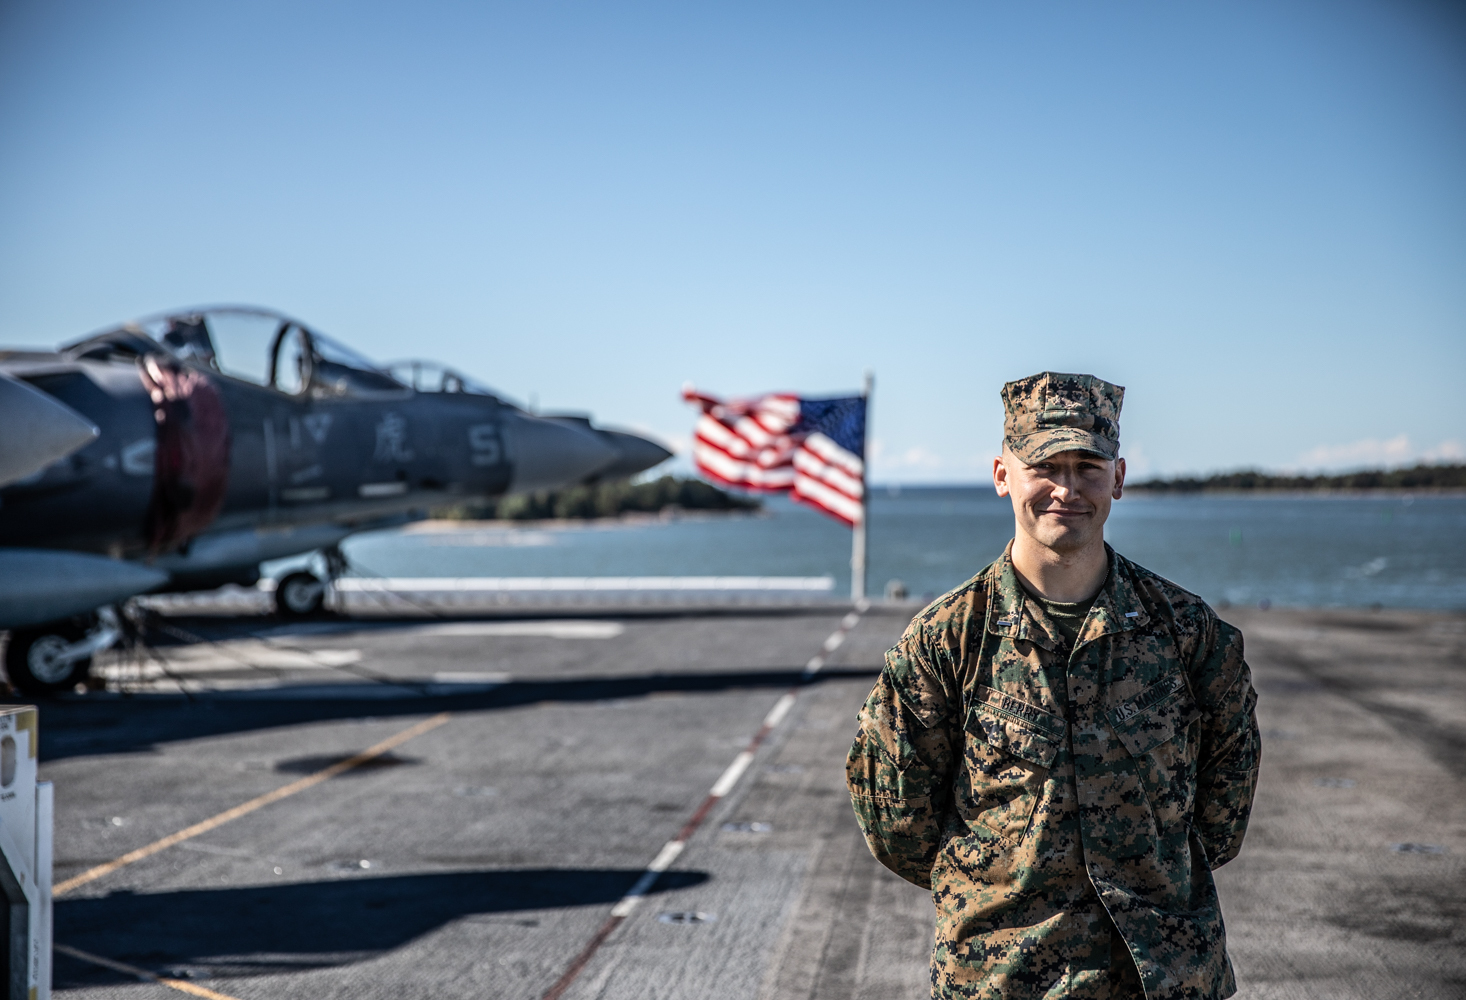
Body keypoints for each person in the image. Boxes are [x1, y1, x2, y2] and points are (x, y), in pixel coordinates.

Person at [846, 372, 1260, 1000]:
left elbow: (1225, 806)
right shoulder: (945, 641)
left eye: (1088, 467)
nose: (1067, 489)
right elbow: (895, 819)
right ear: (1002, 475)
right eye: (1044, 466)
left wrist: (1156, 873)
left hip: (1161, 977)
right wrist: (994, 890)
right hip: (1003, 980)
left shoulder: (1188, 633)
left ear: (1118, 478)